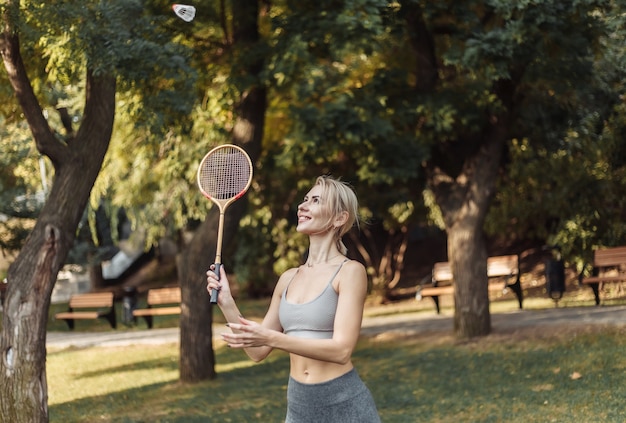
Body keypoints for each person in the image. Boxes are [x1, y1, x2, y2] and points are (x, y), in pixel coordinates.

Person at [206, 175, 380, 423]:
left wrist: (274, 338)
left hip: (344, 405)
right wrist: (227, 302)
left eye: (316, 200)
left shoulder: (350, 271)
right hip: (299, 407)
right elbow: (257, 351)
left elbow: (341, 350)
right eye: (305, 199)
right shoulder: (288, 278)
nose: (302, 205)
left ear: (339, 218)